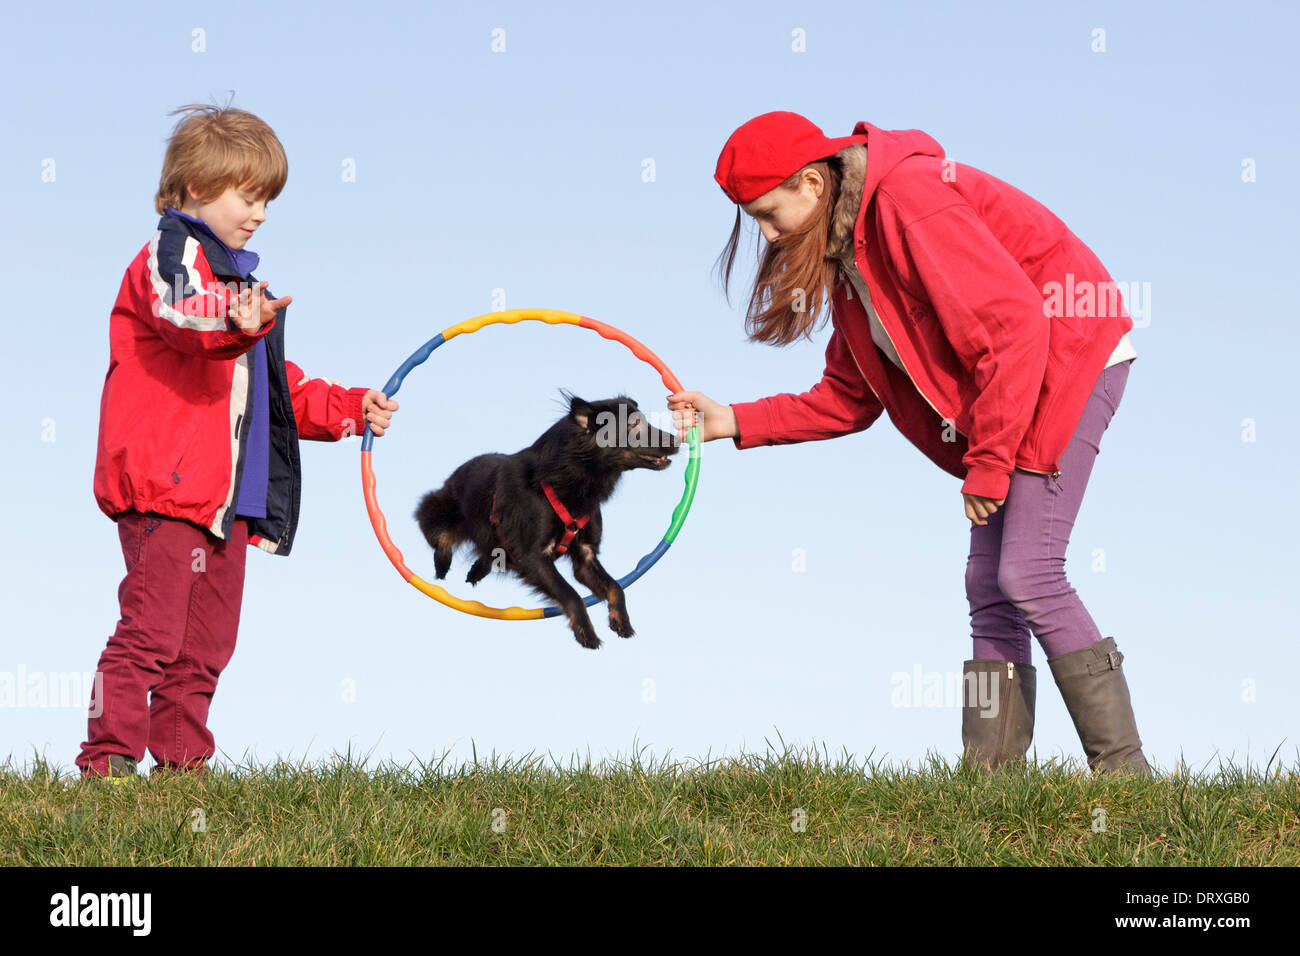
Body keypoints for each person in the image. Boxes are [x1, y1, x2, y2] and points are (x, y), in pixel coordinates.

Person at [667, 111, 1151, 775]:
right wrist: (734, 420)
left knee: (1027, 572)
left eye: (769, 215)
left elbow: (1012, 329)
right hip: (1010, 386)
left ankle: (1126, 777)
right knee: (988, 582)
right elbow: (848, 396)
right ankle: (991, 781)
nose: (769, 236)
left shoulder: (905, 201)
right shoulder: (851, 256)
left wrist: (987, 465)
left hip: (1065, 358)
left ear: (812, 182)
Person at [77, 103, 400, 780]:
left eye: (267, 200)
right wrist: (235, 314)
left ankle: (181, 767)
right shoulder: (173, 258)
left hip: (229, 502)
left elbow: (277, 390)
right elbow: (181, 317)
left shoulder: (243, 289)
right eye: (249, 196)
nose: (260, 213)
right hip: (168, 490)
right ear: (196, 187)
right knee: (150, 634)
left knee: (206, 646)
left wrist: (348, 409)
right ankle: (106, 761)